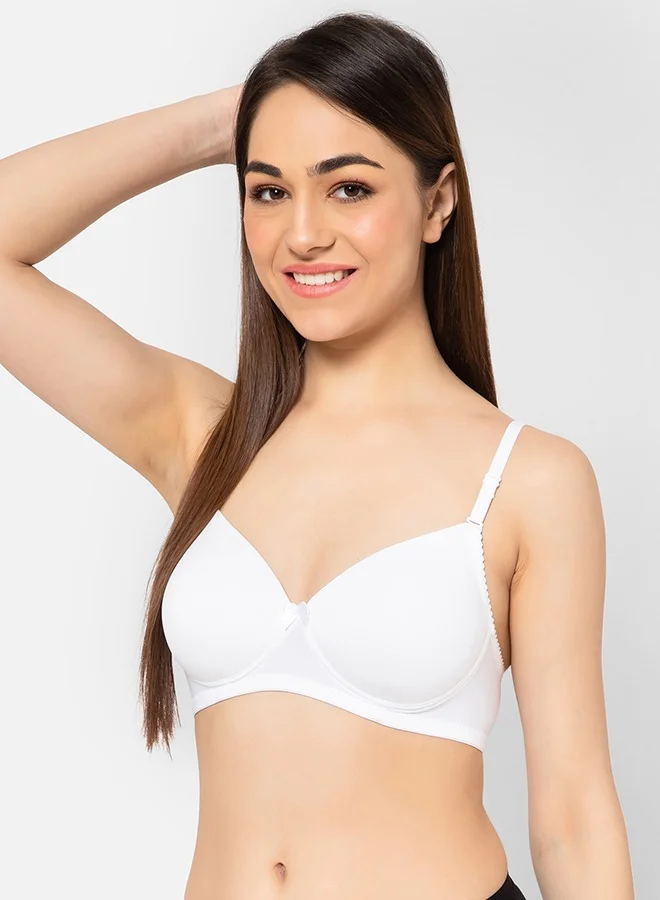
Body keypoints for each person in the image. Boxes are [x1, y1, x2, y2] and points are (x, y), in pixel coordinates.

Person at [0, 11, 634, 900]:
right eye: (268, 191)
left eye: (349, 188)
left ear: (438, 203)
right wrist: (228, 122)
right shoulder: (203, 436)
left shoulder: (529, 480)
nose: (302, 234)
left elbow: (572, 816)